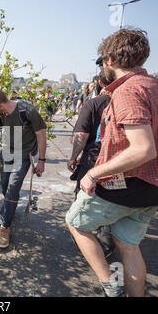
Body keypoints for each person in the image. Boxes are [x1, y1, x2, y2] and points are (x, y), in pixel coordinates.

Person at [65, 28, 158, 297]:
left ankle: (111, 287)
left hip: (123, 185)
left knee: (75, 222)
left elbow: (143, 149)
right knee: (128, 246)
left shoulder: (128, 90)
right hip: (152, 188)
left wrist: (93, 174)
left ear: (110, 60)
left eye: (103, 59)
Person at [0, 89, 47, 249]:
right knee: (5, 186)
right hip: (7, 153)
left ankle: (4, 227)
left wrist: (42, 161)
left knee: (12, 188)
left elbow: (41, 135)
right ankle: (10, 209)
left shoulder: (27, 110)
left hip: (25, 155)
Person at [67, 68, 114, 258]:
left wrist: (73, 157)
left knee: (83, 200)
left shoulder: (94, 103)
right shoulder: (132, 101)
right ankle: (106, 238)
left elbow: (81, 135)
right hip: (120, 163)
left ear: (100, 84)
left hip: (93, 160)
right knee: (110, 199)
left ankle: (87, 241)